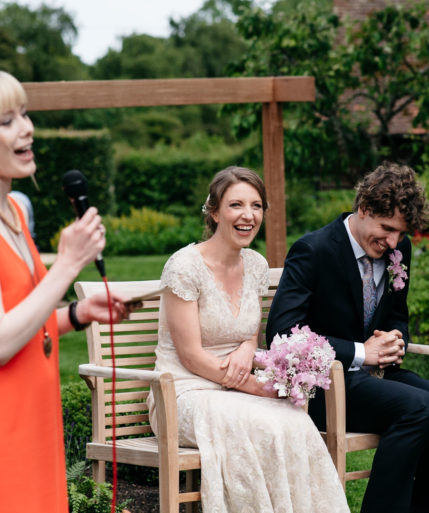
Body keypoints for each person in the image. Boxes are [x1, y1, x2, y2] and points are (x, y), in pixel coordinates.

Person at [0, 64, 128, 513]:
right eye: (7, 120)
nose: (27, 129)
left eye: (25, 114)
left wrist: (77, 314)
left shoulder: (12, 209)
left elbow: (19, 319)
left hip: (32, 426)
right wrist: (68, 264)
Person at [266, 162, 429, 513]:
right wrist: (362, 352)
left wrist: (396, 339)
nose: (393, 242)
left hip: (377, 379)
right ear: (363, 209)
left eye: (401, 234)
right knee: (418, 408)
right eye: (387, 228)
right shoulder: (313, 250)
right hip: (324, 386)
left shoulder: (397, 252)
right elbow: (282, 334)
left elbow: (396, 315)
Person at [147, 166, 349, 513]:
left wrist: (244, 349)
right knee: (265, 423)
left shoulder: (255, 265)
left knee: (295, 418)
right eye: (236, 205)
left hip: (233, 388)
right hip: (184, 392)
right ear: (214, 212)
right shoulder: (183, 267)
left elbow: (248, 334)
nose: (248, 215)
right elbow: (192, 357)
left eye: (256, 206)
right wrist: (260, 387)